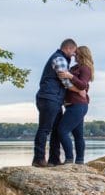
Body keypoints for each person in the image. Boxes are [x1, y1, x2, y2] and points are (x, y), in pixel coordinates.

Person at [32, 39, 76, 167]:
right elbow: (66, 82)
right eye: (73, 52)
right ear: (68, 48)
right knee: (45, 129)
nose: (74, 55)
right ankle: (39, 159)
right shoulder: (60, 59)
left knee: (56, 129)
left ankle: (54, 159)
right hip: (49, 98)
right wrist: (80, 90)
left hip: (53, 98)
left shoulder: (60, 58)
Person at [49, 45, 93, 165]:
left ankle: (69, 159)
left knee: (62, 130)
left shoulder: (86, 68)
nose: (74, 55)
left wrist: (70, 76)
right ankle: (79, 162)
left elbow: (83, 85)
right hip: (72, 105)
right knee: (78, 134)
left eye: (76, 53)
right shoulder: (75, 67)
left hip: (78, 104)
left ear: (82, 54)